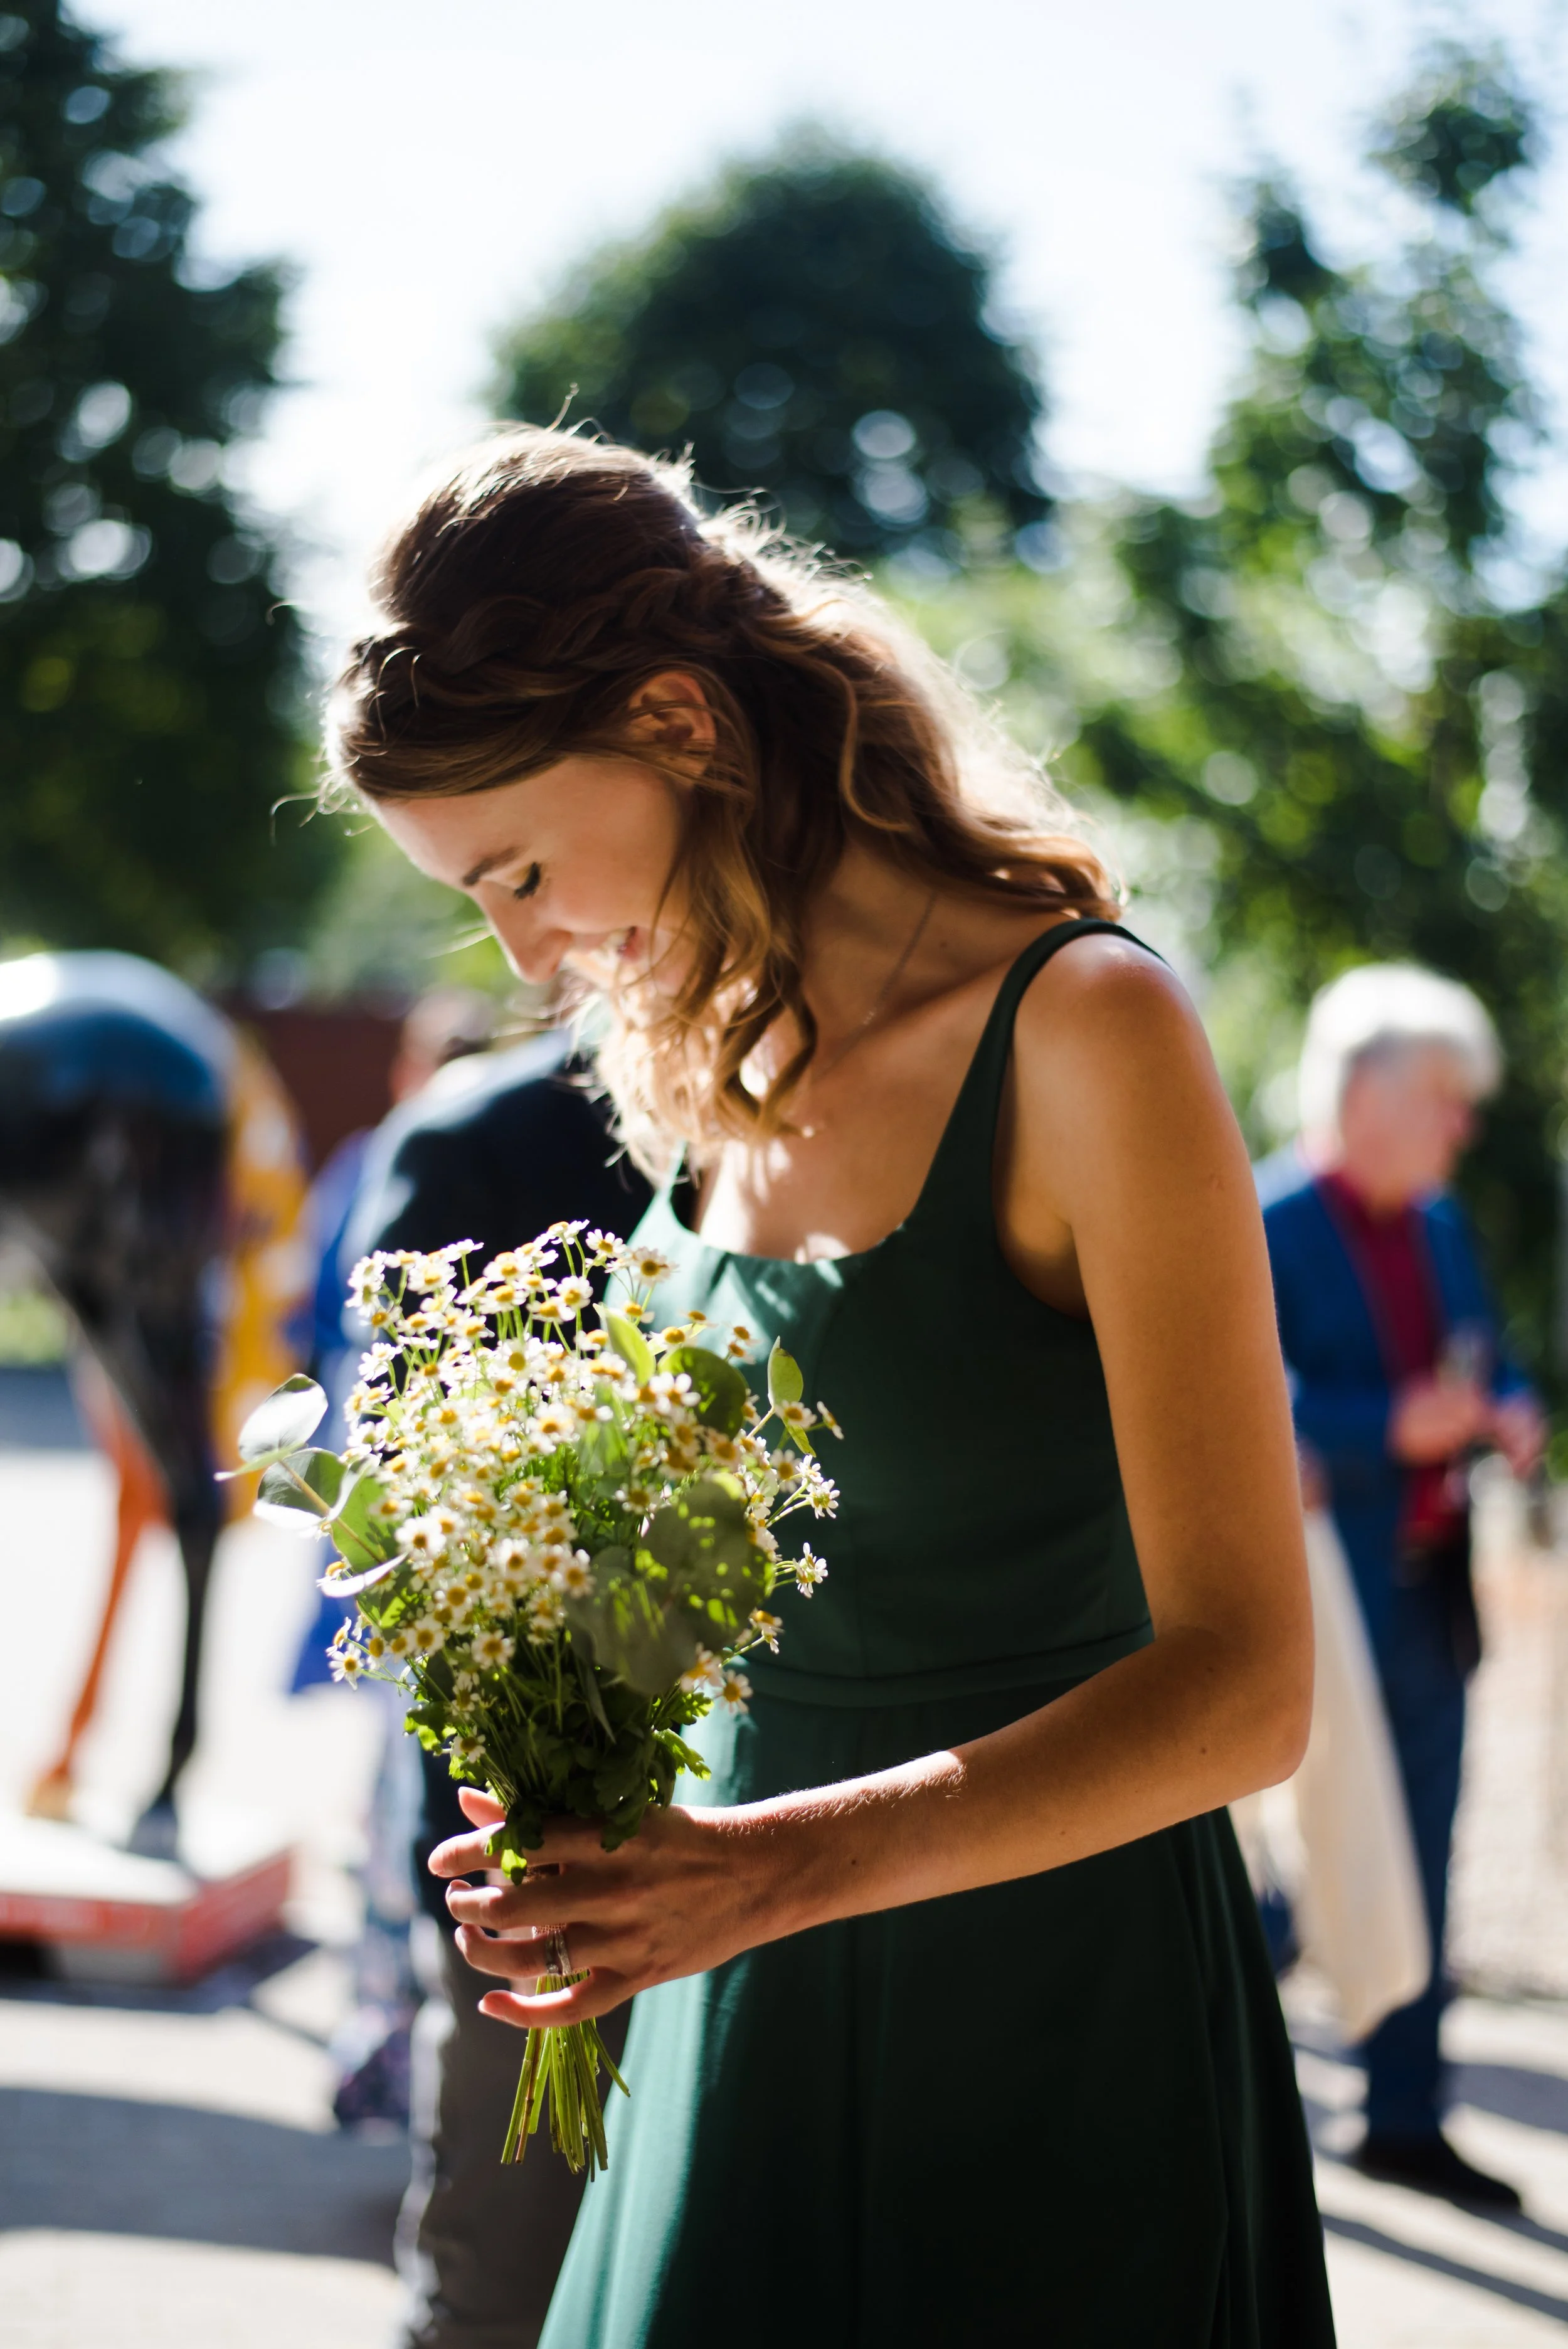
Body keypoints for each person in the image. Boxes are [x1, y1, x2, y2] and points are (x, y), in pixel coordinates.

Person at [324, 426, 1333, 2346]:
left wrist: (759, 1876)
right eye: (483, 900)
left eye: (526, 868)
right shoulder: (718, 1058)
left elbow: (1247, 1691)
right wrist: (555, 1719)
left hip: (1042, 2025)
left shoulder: (1085, 1028)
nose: (528, 948)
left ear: (680, 720)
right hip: (720, 2015)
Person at [337, 1030, 650, 2349]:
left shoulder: (798, 1132)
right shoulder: (481, 1137)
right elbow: (396, 1492)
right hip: (521, 1823)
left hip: (744, 1830)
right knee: (500, 2277)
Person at [1259, 965, 1544, 2208]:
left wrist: (1507, 1406)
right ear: (1362, 1091)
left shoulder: (1435, 1223)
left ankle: (1401, 2117)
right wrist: (1392, 1426)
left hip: (1433, 1592)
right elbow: (1242, 1404)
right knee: (1303, 1860)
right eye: (1443, 1097)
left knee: (1420, 1853)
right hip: (1319, 1603)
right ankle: (1225, 2091)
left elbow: (1485, 1353)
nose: (1461, 1125)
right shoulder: (1261, 1218)